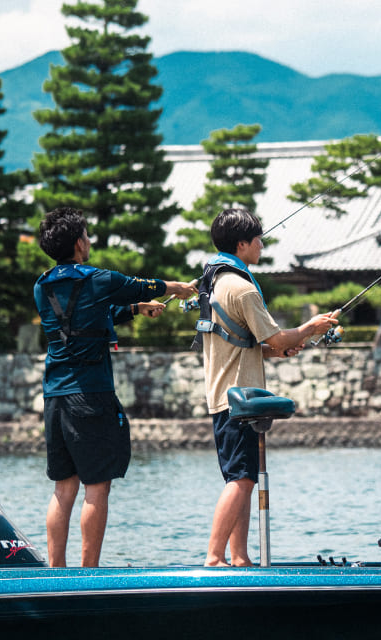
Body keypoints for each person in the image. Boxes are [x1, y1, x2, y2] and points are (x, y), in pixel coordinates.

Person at [34, 206, 197, 567]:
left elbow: (86, 317)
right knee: (97, 486)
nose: (89, 242)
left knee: (63, 488)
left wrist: (136, 309)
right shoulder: (100, 279)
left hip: (55, 397)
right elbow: (138, 285)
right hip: (90, 394)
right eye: (87, 237)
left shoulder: (41, 286)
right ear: (79, 243)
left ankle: (57, 571)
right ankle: (88, 572)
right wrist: (177, 288)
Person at [198, 208, 338, 567]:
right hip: (239, 399)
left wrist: (277, 350)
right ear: (242, 244)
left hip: (225, 394)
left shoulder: (215, 282)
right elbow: (277, 337)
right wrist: (310, 327)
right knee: (241, 479)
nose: (262, 244)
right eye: (257, 239)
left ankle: (239, 557)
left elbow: (249, 343)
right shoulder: (242, 288)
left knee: (240, 477)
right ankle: (214, 558)